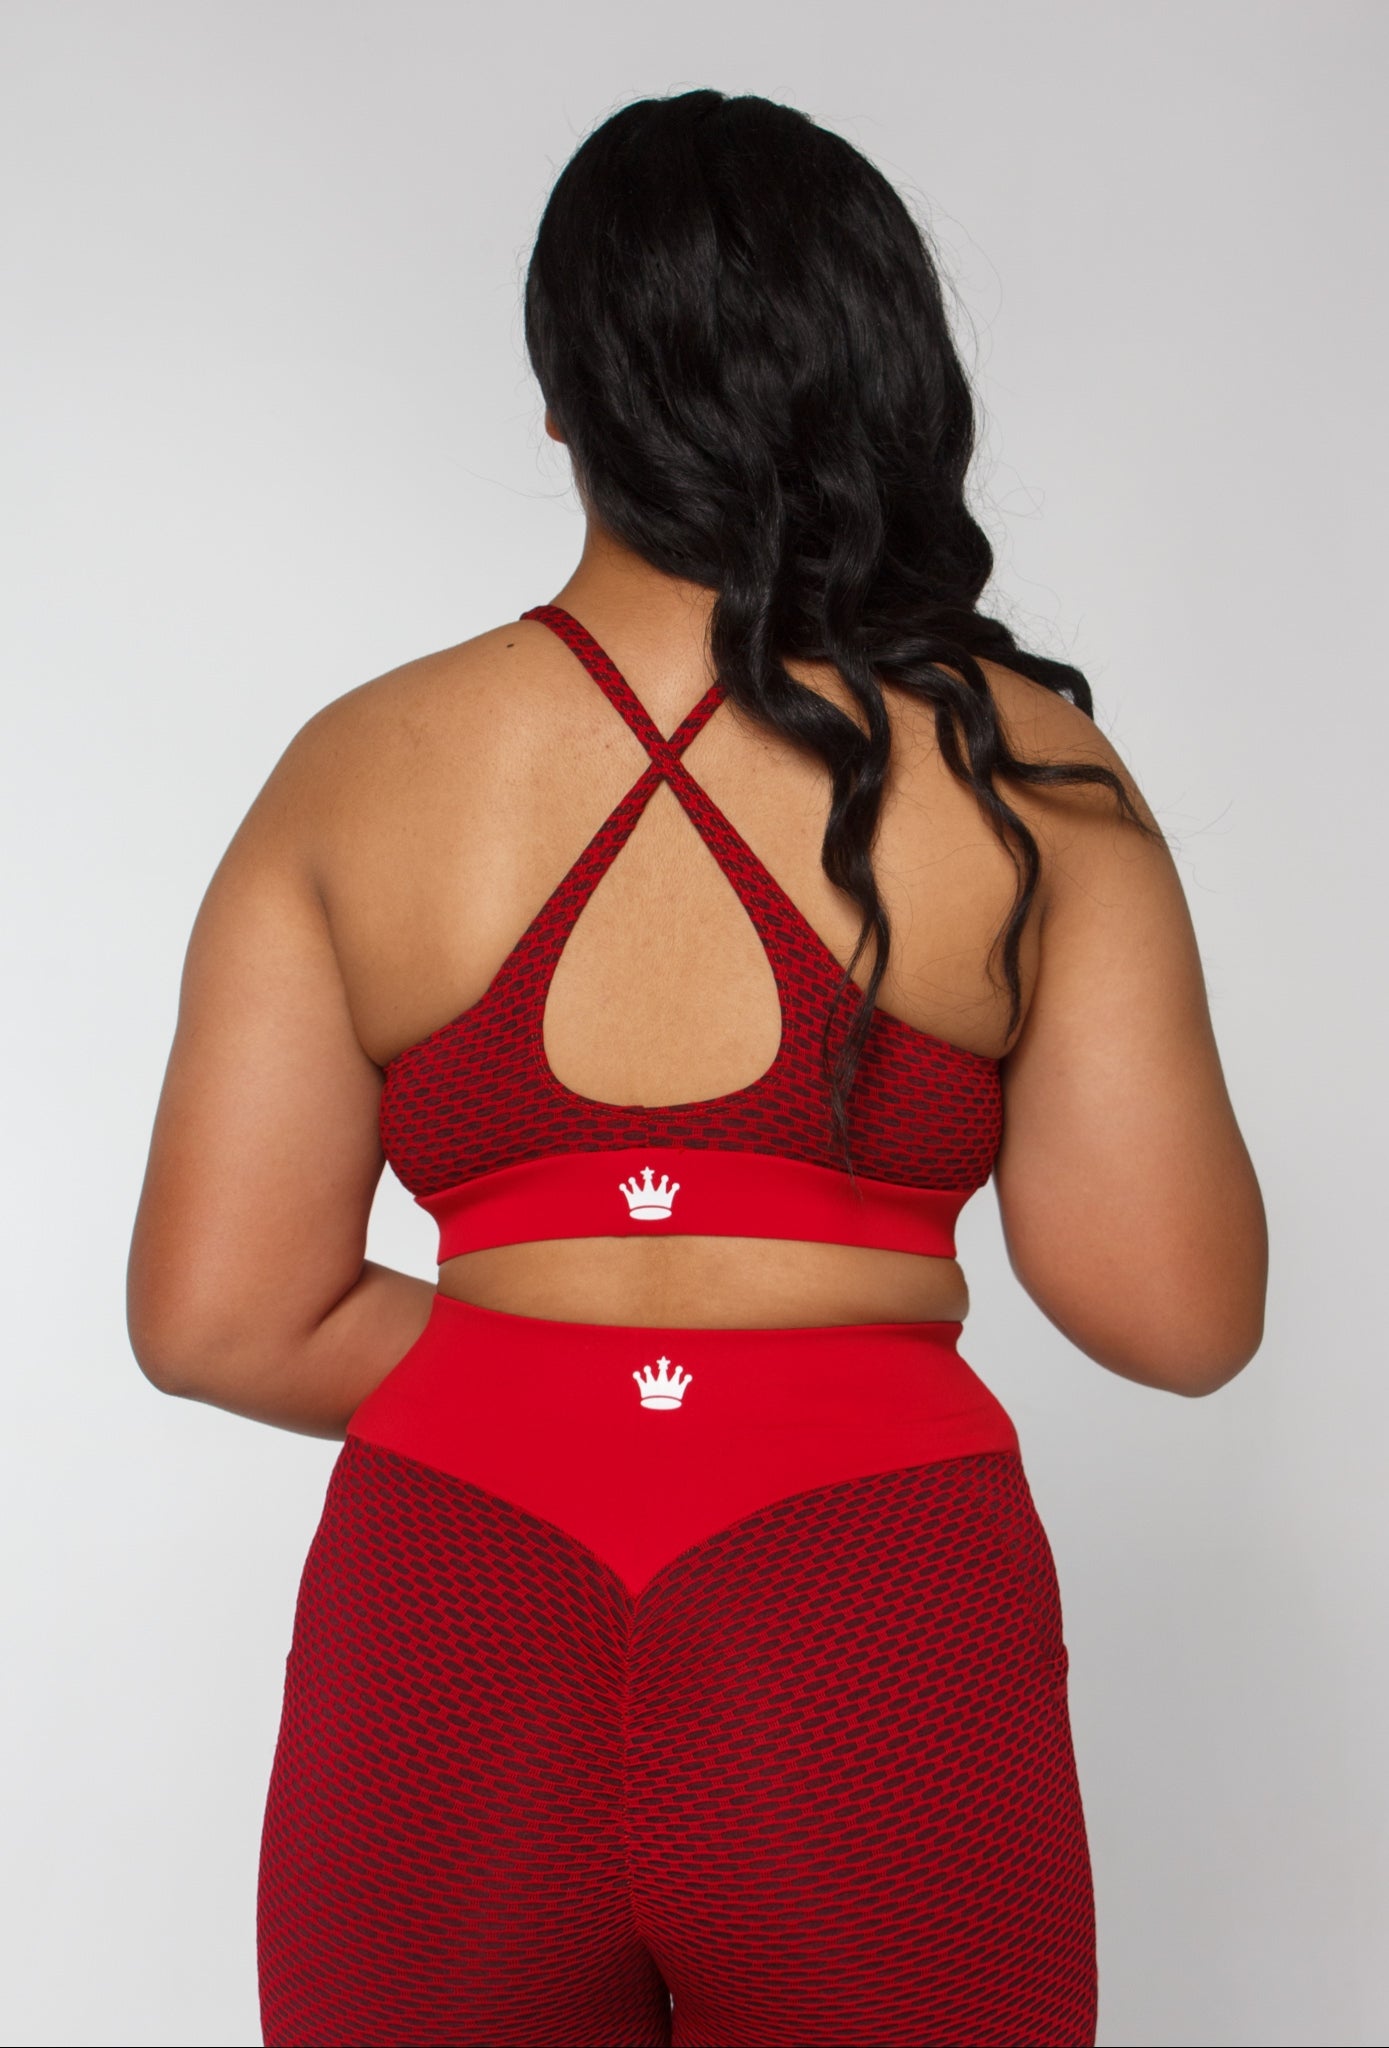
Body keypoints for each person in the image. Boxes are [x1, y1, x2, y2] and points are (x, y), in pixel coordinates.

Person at [127, 88, 1267, 2048]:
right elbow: (1171, 1313)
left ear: (557, 400)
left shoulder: (355, 771)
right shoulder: (1025, 775)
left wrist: (562, 1384)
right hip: (871, 1612)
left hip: (457, 1611)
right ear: (878, 375)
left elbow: (219, 1315)